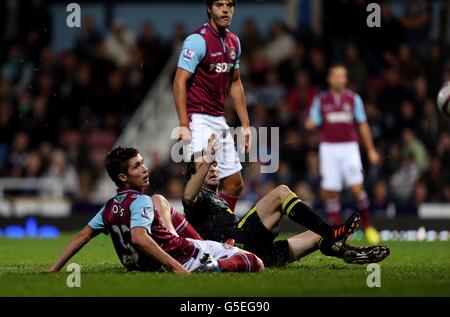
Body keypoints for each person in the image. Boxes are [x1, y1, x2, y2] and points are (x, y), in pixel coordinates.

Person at [179, 134, 389, 267]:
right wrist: (206, 156)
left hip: (261, 255)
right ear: (192, 175)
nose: (212, 167)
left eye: (214, 164)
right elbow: (188, 195)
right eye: (206, 166)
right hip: (235, 245)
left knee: (316, 236)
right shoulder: (195, 200)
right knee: (281, 192)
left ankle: (351, 252)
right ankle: (332, 233)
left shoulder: (217, 200)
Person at [47, 146, 264, 274]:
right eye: (137, 166)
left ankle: (212, 250)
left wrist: (52, 269)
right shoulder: (141, 201)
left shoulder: (108, 208)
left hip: (149, 264)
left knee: (163, 203)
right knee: (256, 262)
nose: (145, 169)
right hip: (182, 255)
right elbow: (140, 238)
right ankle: (214, 265)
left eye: (143, 163)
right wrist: (177, 268)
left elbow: (82, 236)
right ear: (123, 177)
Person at [173, 0, 251, 212]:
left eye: (229, 4)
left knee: (235, 184)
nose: (225, 9)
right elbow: (179, 81)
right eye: (219, 4)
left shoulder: (234, 42)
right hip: (197, 117)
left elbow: (235, 82)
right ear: (209, 8)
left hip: (218, 118)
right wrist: (183, 123)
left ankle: (222, 230)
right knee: (203, 182)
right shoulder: (197, 41)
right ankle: (200, 235)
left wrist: (245, 124)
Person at [305, 63, 381, 244]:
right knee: (331, 192)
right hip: (328, 147)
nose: (339, 79)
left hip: (349, 147)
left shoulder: (353, 99)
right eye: (336, 75)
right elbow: (313, 122)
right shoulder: (321, 100)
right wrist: (310, 125)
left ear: (346, 79)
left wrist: (370, 150)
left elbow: (362, 124)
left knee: (356, 189)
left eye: (342, 75)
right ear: (329, 78)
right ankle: (336, 232)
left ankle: (368, 226)